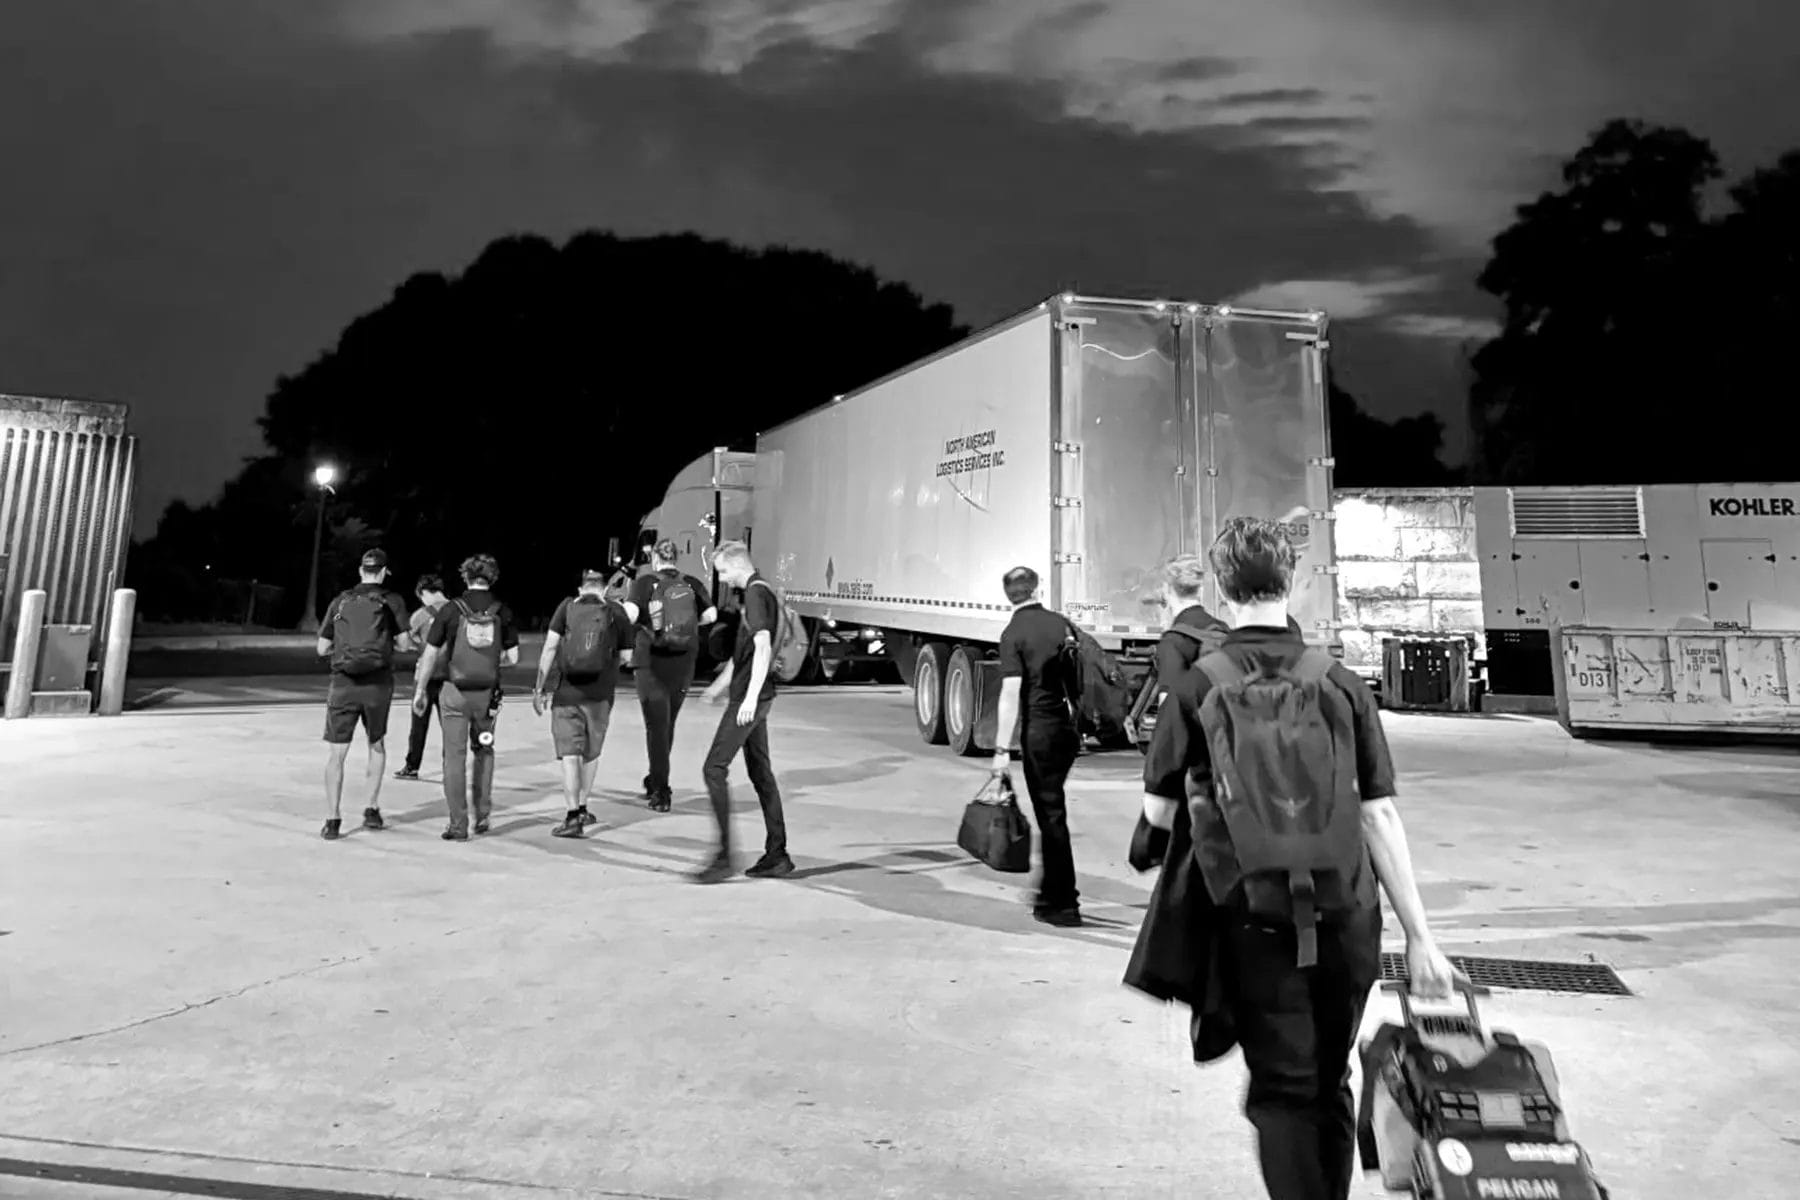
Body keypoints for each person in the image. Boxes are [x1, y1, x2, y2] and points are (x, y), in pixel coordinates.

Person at [1141, 516, 1456, 1200]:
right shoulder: (1339, 681)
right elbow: (1378, 813)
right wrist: (1422, 938)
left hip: (1253, 921)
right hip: (1348, 918)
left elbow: (1159, 813)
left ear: (1222, 590)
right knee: (1329, 1078)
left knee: (1282, 1091)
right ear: (1294, 581)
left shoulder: (1198, 684)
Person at [990, 566, 1083, 928]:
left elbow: (1011, 694)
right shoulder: (1061, 623)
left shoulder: (1012, 633)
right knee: (1053, 811)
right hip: (1065, 729)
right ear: (1037, 588)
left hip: (1039, 731)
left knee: (1051, 816)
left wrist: (1001, 750)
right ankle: (1050, 894)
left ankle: (1064, 902)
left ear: (1007, 594)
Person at [694, 540, 789, 884]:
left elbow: (762, 648)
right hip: (753, 695)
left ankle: (723, 858)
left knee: (713, 768)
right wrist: (717, 687)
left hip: (752, 700)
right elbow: (743, 654)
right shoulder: (756, 593)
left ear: (737, 565)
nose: (722, 578)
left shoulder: (754, 594)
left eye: (722, 571)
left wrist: (748, 699)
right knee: (761, 773)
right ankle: (777, 854)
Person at [412, 554, 519, 841]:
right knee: (484, 750)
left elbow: (430, 653)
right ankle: (483, 815)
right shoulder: (502, 611)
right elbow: (513, 657)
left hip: (453, 694)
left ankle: (458, 824)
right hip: (486, 699)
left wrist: (421, 689)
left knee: (454, 757)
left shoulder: (450, 610)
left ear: (466, 576)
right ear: (492, 577)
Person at [316, 549, 413, 840]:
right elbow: (405, 644)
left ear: (361, 571)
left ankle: (333, 819)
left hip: (343, 684)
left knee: (336, 755)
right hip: (377, 685)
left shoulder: (341, 601)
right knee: (377, 744)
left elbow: (321, 648)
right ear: (383, 572)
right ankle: (371, 809)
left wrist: (345, 652)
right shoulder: (392, 601)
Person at [534, 569, 635, 838]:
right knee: (591, 754)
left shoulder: (566, 607)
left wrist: (540, 687)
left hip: (566, 695)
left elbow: (549, 648)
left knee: (570, 756)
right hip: (600, 697)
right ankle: (583, 806)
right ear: (603, 590)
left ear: (581, 590)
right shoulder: (616, 611)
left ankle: (571, 816)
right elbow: (627, 657)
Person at [622, 539, 717, 812]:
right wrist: (688, 627)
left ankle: (661, 791)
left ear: (655, 559)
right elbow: (711, 614)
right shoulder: (692, 583)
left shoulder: (644, 583)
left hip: (650, 662)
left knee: (656, 726)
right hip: (683, 662)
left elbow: (629, 615)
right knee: (668, 723)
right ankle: (655, 778)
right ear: (676, 558)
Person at [395, 574, 450, 781]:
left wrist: (419, 643)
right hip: (451, 676)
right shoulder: (459, 611)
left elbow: (406, 643)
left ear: (424, 592)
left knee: (418, 724)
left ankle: (412, 766)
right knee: (450, 726)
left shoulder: (421, 615)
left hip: (425, 677)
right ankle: (450, 767)